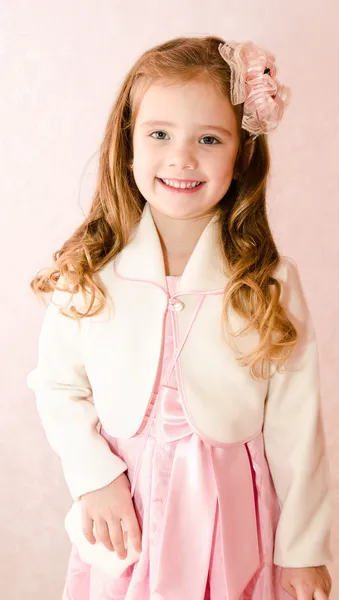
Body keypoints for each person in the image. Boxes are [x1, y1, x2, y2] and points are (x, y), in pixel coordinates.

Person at [27, 36, 333, 600]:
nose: (182, 158)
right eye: (160, 134)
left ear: (241, 152)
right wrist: (96, 478)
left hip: (231, 521)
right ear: (129, 143)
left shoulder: (268, 283)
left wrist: (303, 550)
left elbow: (298, 430)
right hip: (125, 520)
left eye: (209, 139)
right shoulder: (91, 272)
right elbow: (58, 386)